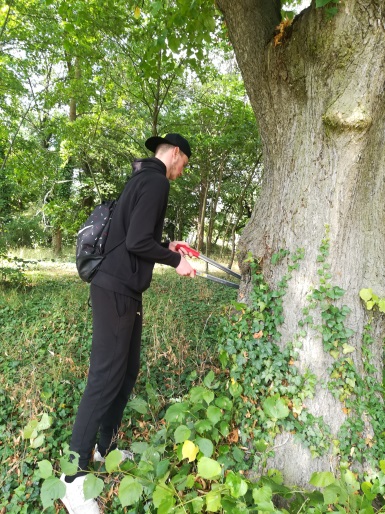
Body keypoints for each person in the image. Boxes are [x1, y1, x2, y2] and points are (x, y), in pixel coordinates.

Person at [60, 133, 195, 513]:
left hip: (122, 290)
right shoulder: (154, 181)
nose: (182, 170)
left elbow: (136, 236)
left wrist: (168, 247)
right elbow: (136, 242)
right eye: (184, 162)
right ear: (175, 153)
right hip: (116, 288)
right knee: (105, 376)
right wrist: (175, 263)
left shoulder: (141, 178)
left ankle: (105, 448)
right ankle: (72, 479)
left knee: (127, 371)